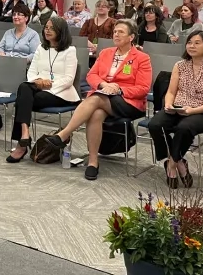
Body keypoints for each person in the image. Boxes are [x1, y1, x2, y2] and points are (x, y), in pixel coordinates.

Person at [46, 20, 151, 181]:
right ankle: (93, 162)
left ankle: (64, 134)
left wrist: (118, 89)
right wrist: (104, 84)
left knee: (95, 99)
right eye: (115, 31)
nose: (116, 34)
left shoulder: (142, 58)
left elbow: (143, 88)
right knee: (96, 114)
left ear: (131, 37)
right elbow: (91, 75)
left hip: (129, 102)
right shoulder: (106, 53)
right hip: (103, 95)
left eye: (121, 32)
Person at [6, 17, 80, 163]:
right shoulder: (41, 48)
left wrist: (48, 85)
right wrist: (38, 82)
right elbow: (31, 72)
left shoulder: (70, 51)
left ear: (61, 31)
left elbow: (69, 79)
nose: (47, 30)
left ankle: (21, 143)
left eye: (52, 28)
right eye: (46, 27)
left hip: (60, 93)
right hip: (38, 88)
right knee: (24, 87)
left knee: (22, 99)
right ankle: (25, 134)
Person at [148, 30, 203, 189]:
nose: (192, 46)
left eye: (197, 43)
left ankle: (172, 166)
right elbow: (172, 92)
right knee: (155, 124)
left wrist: (192, 111)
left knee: (184, 128)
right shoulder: (180, 65)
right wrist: (168, 104)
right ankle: (179, 161)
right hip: (178, 106)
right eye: (189, 42)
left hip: (201, 110)